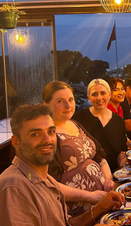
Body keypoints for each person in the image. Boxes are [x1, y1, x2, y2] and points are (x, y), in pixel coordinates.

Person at [0, 104, 125, 226]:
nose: (47, 139)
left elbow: (67, 223)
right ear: (16, 141)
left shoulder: (43, 179)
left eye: (51, 131)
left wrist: (99, 208)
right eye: (36, 134)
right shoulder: (12, 190)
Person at [43, 81, 114, 216]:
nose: (68, 105)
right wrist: (89, 196)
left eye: (70, 99)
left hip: (100, 200)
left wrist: (108, 181)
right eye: (60, 101)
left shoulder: (75, 124)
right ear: (46, 104)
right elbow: (49, 183)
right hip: (78, 211)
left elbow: (99, 155)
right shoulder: (48, 136)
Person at [74, 79, 128, 172]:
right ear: (89, 97)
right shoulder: (78, 119)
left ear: (109, 95)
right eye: (94, 94)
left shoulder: (118, 121)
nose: (99, 98)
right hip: (89, 175)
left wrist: (123, 169)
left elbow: (121, 153)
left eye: (103, 93)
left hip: (114, 173)